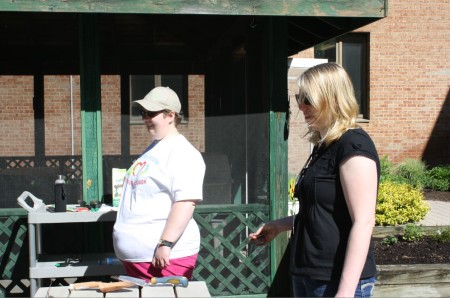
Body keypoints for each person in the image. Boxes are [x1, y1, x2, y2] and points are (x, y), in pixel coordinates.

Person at [250, 63, 380, 297]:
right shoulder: (324, 146)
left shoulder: (354, 144)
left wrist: (345, 292)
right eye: (300, 97)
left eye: (308, 98)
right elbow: (322, 211)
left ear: (331, 98)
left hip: (336, 281)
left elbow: (364, 222)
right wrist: (279, 225)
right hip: (308, 275)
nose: (301, 106)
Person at [113, 86, 205, 281]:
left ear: (170, 115)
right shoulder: (155, 147)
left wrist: (166, 243)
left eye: (151, 113)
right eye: (143, 113)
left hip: (164, 259)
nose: (145, 118)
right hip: (141, 259)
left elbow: (185, 202)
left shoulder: (183, 153)